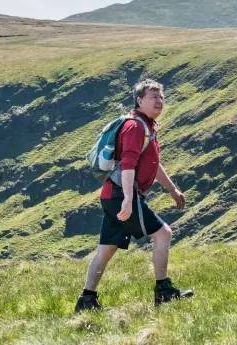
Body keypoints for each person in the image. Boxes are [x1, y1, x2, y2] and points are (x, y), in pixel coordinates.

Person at [75, 79, 194, 312]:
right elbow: (128, 164)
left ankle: (86, 300)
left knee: (107, 249)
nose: (159, 101)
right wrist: (129, 199)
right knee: (163, 234)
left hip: (113, 195)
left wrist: (172, 190)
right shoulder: (136, 127)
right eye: (153, 97)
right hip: (122, 195)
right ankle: (164, 291)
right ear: (139, 101)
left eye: (161, 97)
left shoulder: (148, 127)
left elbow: (153, 163)